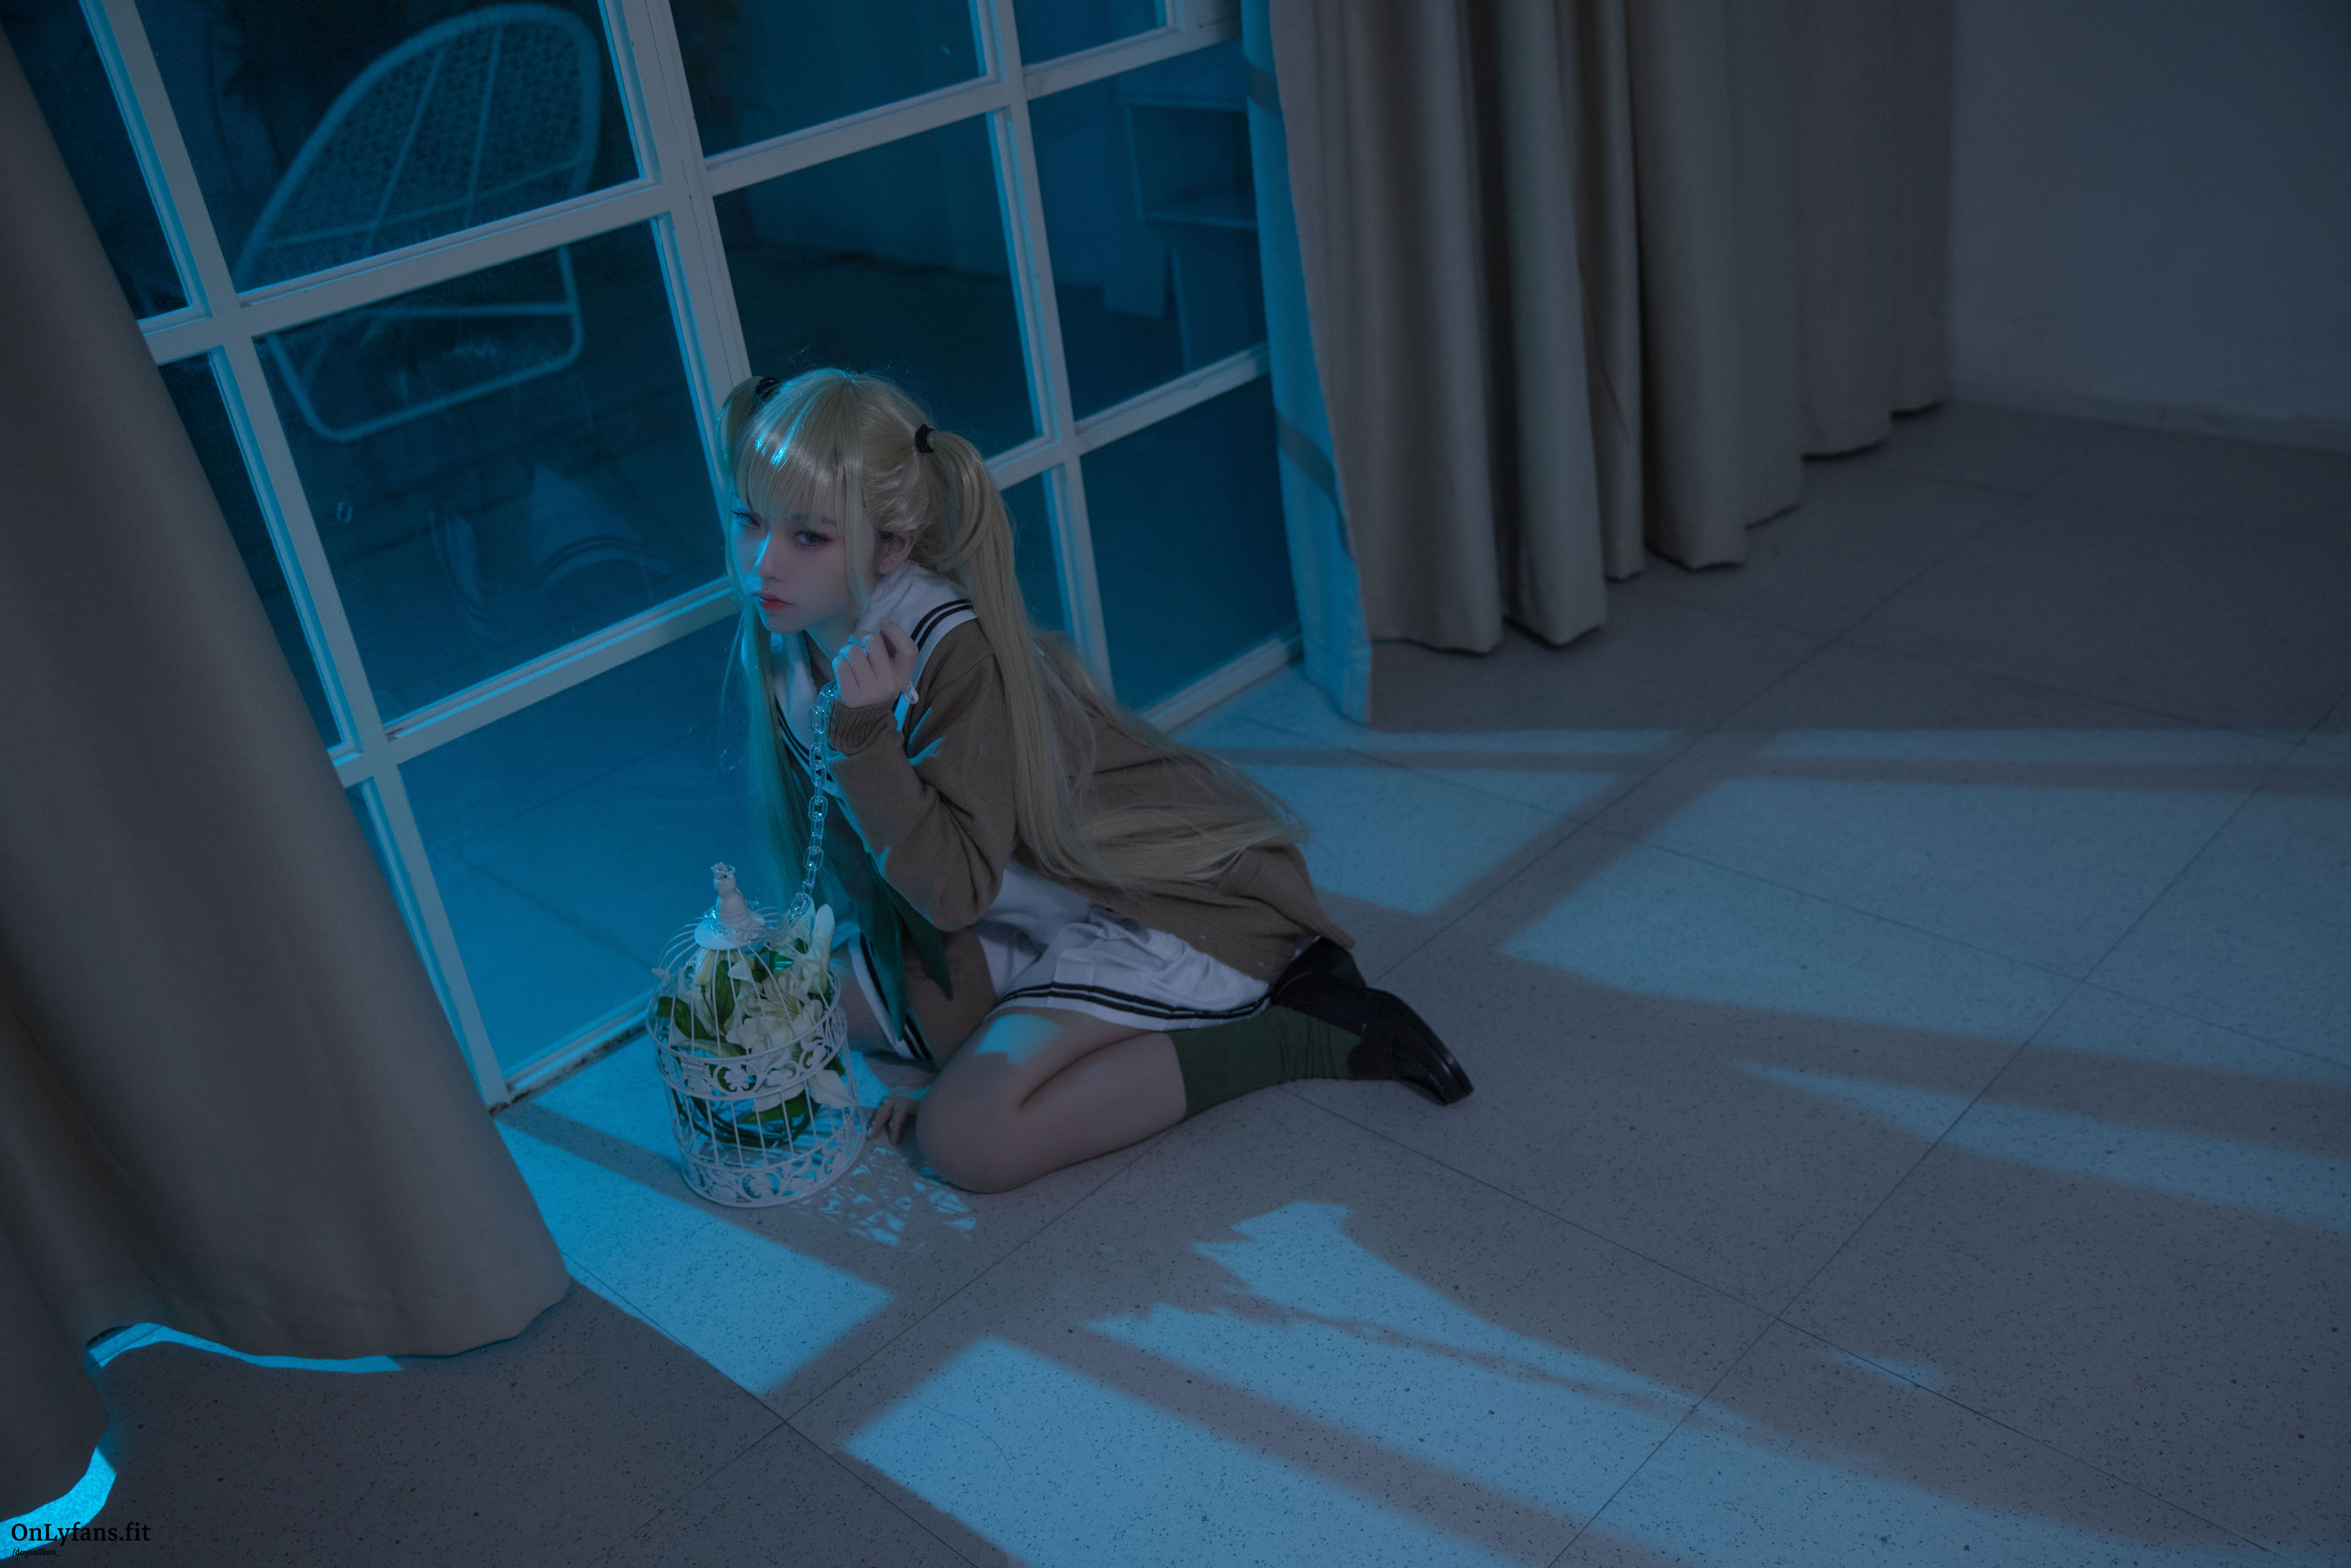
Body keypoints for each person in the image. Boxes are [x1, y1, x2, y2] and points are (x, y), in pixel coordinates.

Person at [721, 368, 1472, 1193]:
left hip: (1161, 904)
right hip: (1022, 910)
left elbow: (954, 890)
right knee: (773, 1014)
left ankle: (1292, 1031)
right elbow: (878, 865)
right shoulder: (792, 643)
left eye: (809, 536)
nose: (764, 563)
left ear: (891, 546)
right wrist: (936, 1017)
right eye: (749, 521)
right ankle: (1055, 1022)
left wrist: (863, 741)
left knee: (966, 1139)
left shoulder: (947, 652)